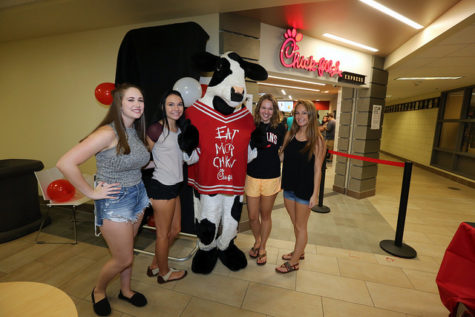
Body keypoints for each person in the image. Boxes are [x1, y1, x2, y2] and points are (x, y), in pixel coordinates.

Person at [57, 83, 149, 316]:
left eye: (140, 100)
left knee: (128, 251)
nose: (137, 105)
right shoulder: (107, 133)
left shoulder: (135, 131)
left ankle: (125, 290)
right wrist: (91, 192)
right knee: (123, 257)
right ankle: (98, 291)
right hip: (115, 200)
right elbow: (65, 163)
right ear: (118, 103)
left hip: (138, 194)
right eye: (131, 100)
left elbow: (140, 161)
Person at [276, 99, 326, 274]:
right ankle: (300, 251)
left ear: (311, 115)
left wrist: (315, 195)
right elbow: (282, 158)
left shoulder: (317, 140)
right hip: (289, 185)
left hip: (304, 189)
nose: (300, 116)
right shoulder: (290, 135)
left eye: (304, 113)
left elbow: (318, 169)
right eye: (297, 113)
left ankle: (294, 262)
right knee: (295, 223)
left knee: (300, 226)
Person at [145, 90, 187, 283]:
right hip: (161, 187)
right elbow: (143, 159)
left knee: (175, 230)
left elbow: (177, 158)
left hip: (175, 186)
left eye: (179, 104)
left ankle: (155, 265)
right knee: (163, 234)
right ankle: (164, 273)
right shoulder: (156, 129)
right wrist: (158, 165)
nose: (176, 108)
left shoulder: (180, 129)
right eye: (171, 104)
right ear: (163, 106)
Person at [245, 94, 286, 265]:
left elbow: (282, 151)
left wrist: (278, 160)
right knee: (253, 216)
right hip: (252, 176)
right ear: (258, 109)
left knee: (265, 215)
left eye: (270, 108)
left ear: (274, 111)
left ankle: (262, 246)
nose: (266, 112)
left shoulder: (280, 128)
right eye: (264, 108)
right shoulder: (250, 126)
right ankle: (257, 240)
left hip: (271, 177)